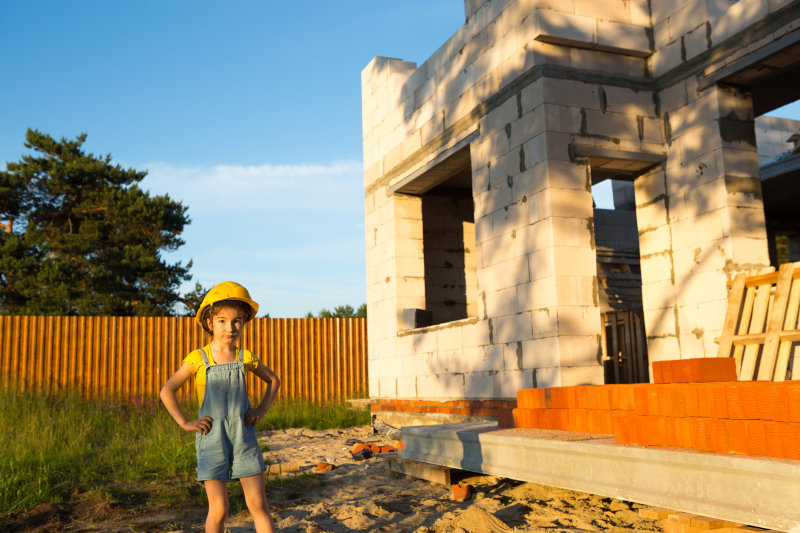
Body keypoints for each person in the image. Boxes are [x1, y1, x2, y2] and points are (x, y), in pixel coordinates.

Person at [160, 281, 280, 533]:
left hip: (243, 437)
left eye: (237, 321)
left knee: (258, 504)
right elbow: (167, 390)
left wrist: (261, 410)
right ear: (209, 322)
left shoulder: (244, 357)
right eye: (223, 321)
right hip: (211, 440)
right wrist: (185, 422)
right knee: (219, 509)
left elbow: (273, 380)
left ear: (245, 322)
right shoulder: (197, 359)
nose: (230, 327)